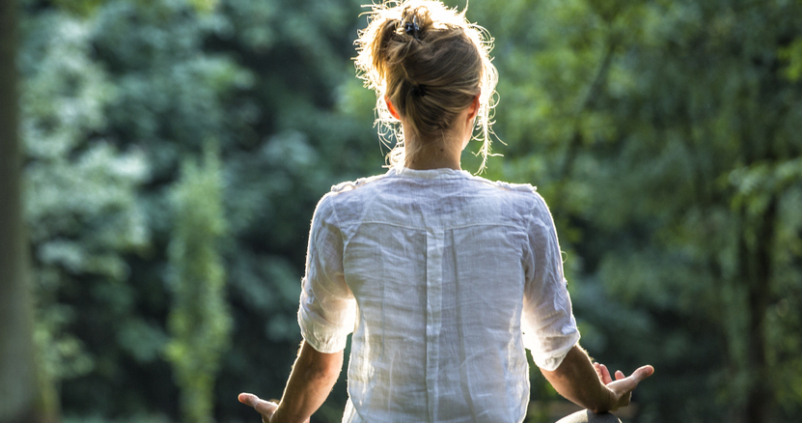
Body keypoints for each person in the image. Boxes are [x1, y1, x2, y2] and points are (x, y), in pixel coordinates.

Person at [236, 1, 654, 422]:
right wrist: (603, 396)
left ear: (393, 106)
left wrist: (286, 417)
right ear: (474, 106)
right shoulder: (522, 214)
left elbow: (320, 362)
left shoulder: (342, 214)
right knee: (602, 422)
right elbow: (557, 357)